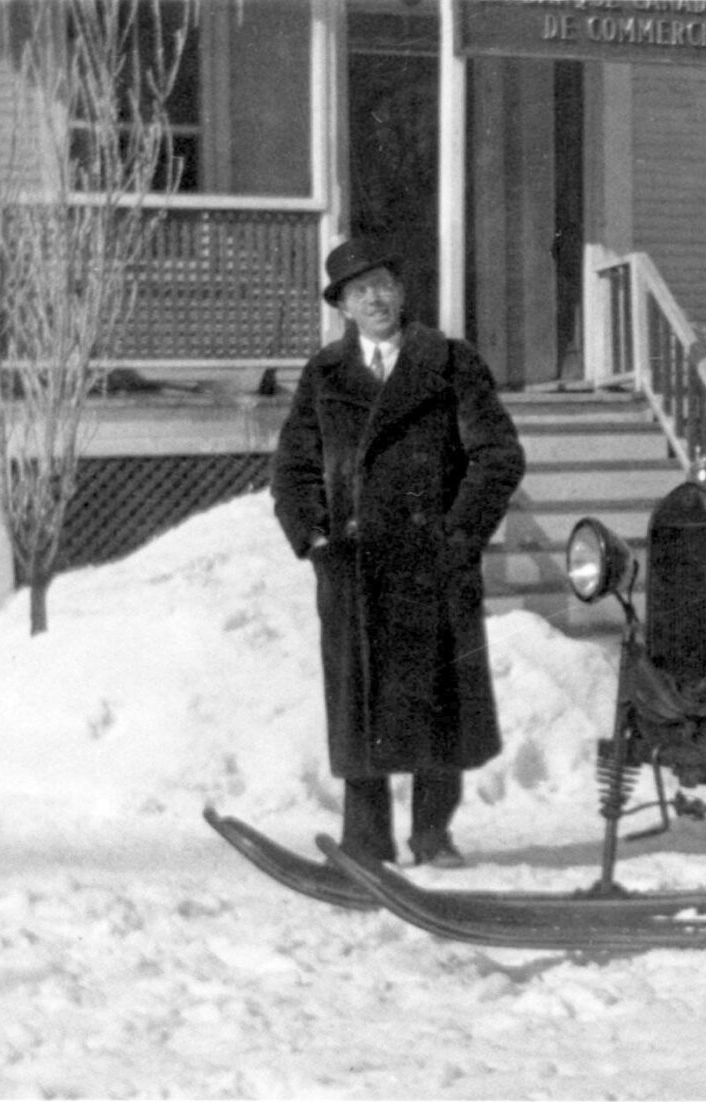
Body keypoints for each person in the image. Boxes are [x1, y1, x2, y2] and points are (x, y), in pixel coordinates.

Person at [271, 237, 525, 868]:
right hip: (354, 566)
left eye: (383, 284)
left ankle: (433, 836)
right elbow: (293, 469)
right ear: (344, 307)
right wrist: (317, 540)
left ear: (402, 292)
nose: (375, 299)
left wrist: (459, 537)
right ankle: (365, 842)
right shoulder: (325, 374)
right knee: (359, 705)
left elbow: (497, 456)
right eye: (360, 292)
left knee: (438, 701)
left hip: (432, 563)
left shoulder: (449, 361)